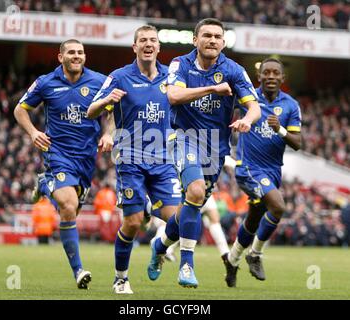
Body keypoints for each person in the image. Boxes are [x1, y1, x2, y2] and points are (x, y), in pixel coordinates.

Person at [148, 18, 261, 288]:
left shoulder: (233, 70)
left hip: (216, 146)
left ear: (223, 42)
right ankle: (187, 264)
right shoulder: (180, 64)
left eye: (217, 36)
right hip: (182, 136)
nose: (212, 40)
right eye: (207, 35)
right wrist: (212, 88)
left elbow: (254, 106)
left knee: (192, 205)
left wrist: (248, 120)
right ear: (195, 40)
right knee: (196, 192)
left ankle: (160, 244)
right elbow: (173, 96)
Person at [87, 25, 181, 294]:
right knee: (132, 222)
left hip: (163, 161)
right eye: (143, 40)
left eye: (153, 40)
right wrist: (107, 98)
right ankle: (120, 278)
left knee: (180, 221)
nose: (148, 44)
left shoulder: (171, 77)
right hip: (131, 159)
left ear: (159, 47)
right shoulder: (119, 76)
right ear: (135, 47)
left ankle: (158, 246)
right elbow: (91, 110)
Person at [14, 39, 107, 289]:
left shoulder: (99, 81)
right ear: (60, 57)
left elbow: (111, 112)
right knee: (68, 204)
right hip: (58, 153)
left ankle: (45, 185)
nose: (76, 56)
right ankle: (78, 271)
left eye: (80, 52)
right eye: (71, 52)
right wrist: (33, 132)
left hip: (86, 158)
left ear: (85, 56)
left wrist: (108, 133)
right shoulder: (46, 82)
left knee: (71, 209)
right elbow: (20, 110)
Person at [225, 58, 302, 287]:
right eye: (265, 72)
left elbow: (297, 142)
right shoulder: (248, 99)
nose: (270, 76)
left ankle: (232, 259)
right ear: (259, 77)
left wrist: (280, 129)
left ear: (282, 78)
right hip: (248, 168)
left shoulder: (290, 105)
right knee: (278, 206)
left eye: (275, 73)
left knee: (254, 219)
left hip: (273, 171)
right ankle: (255, 254)